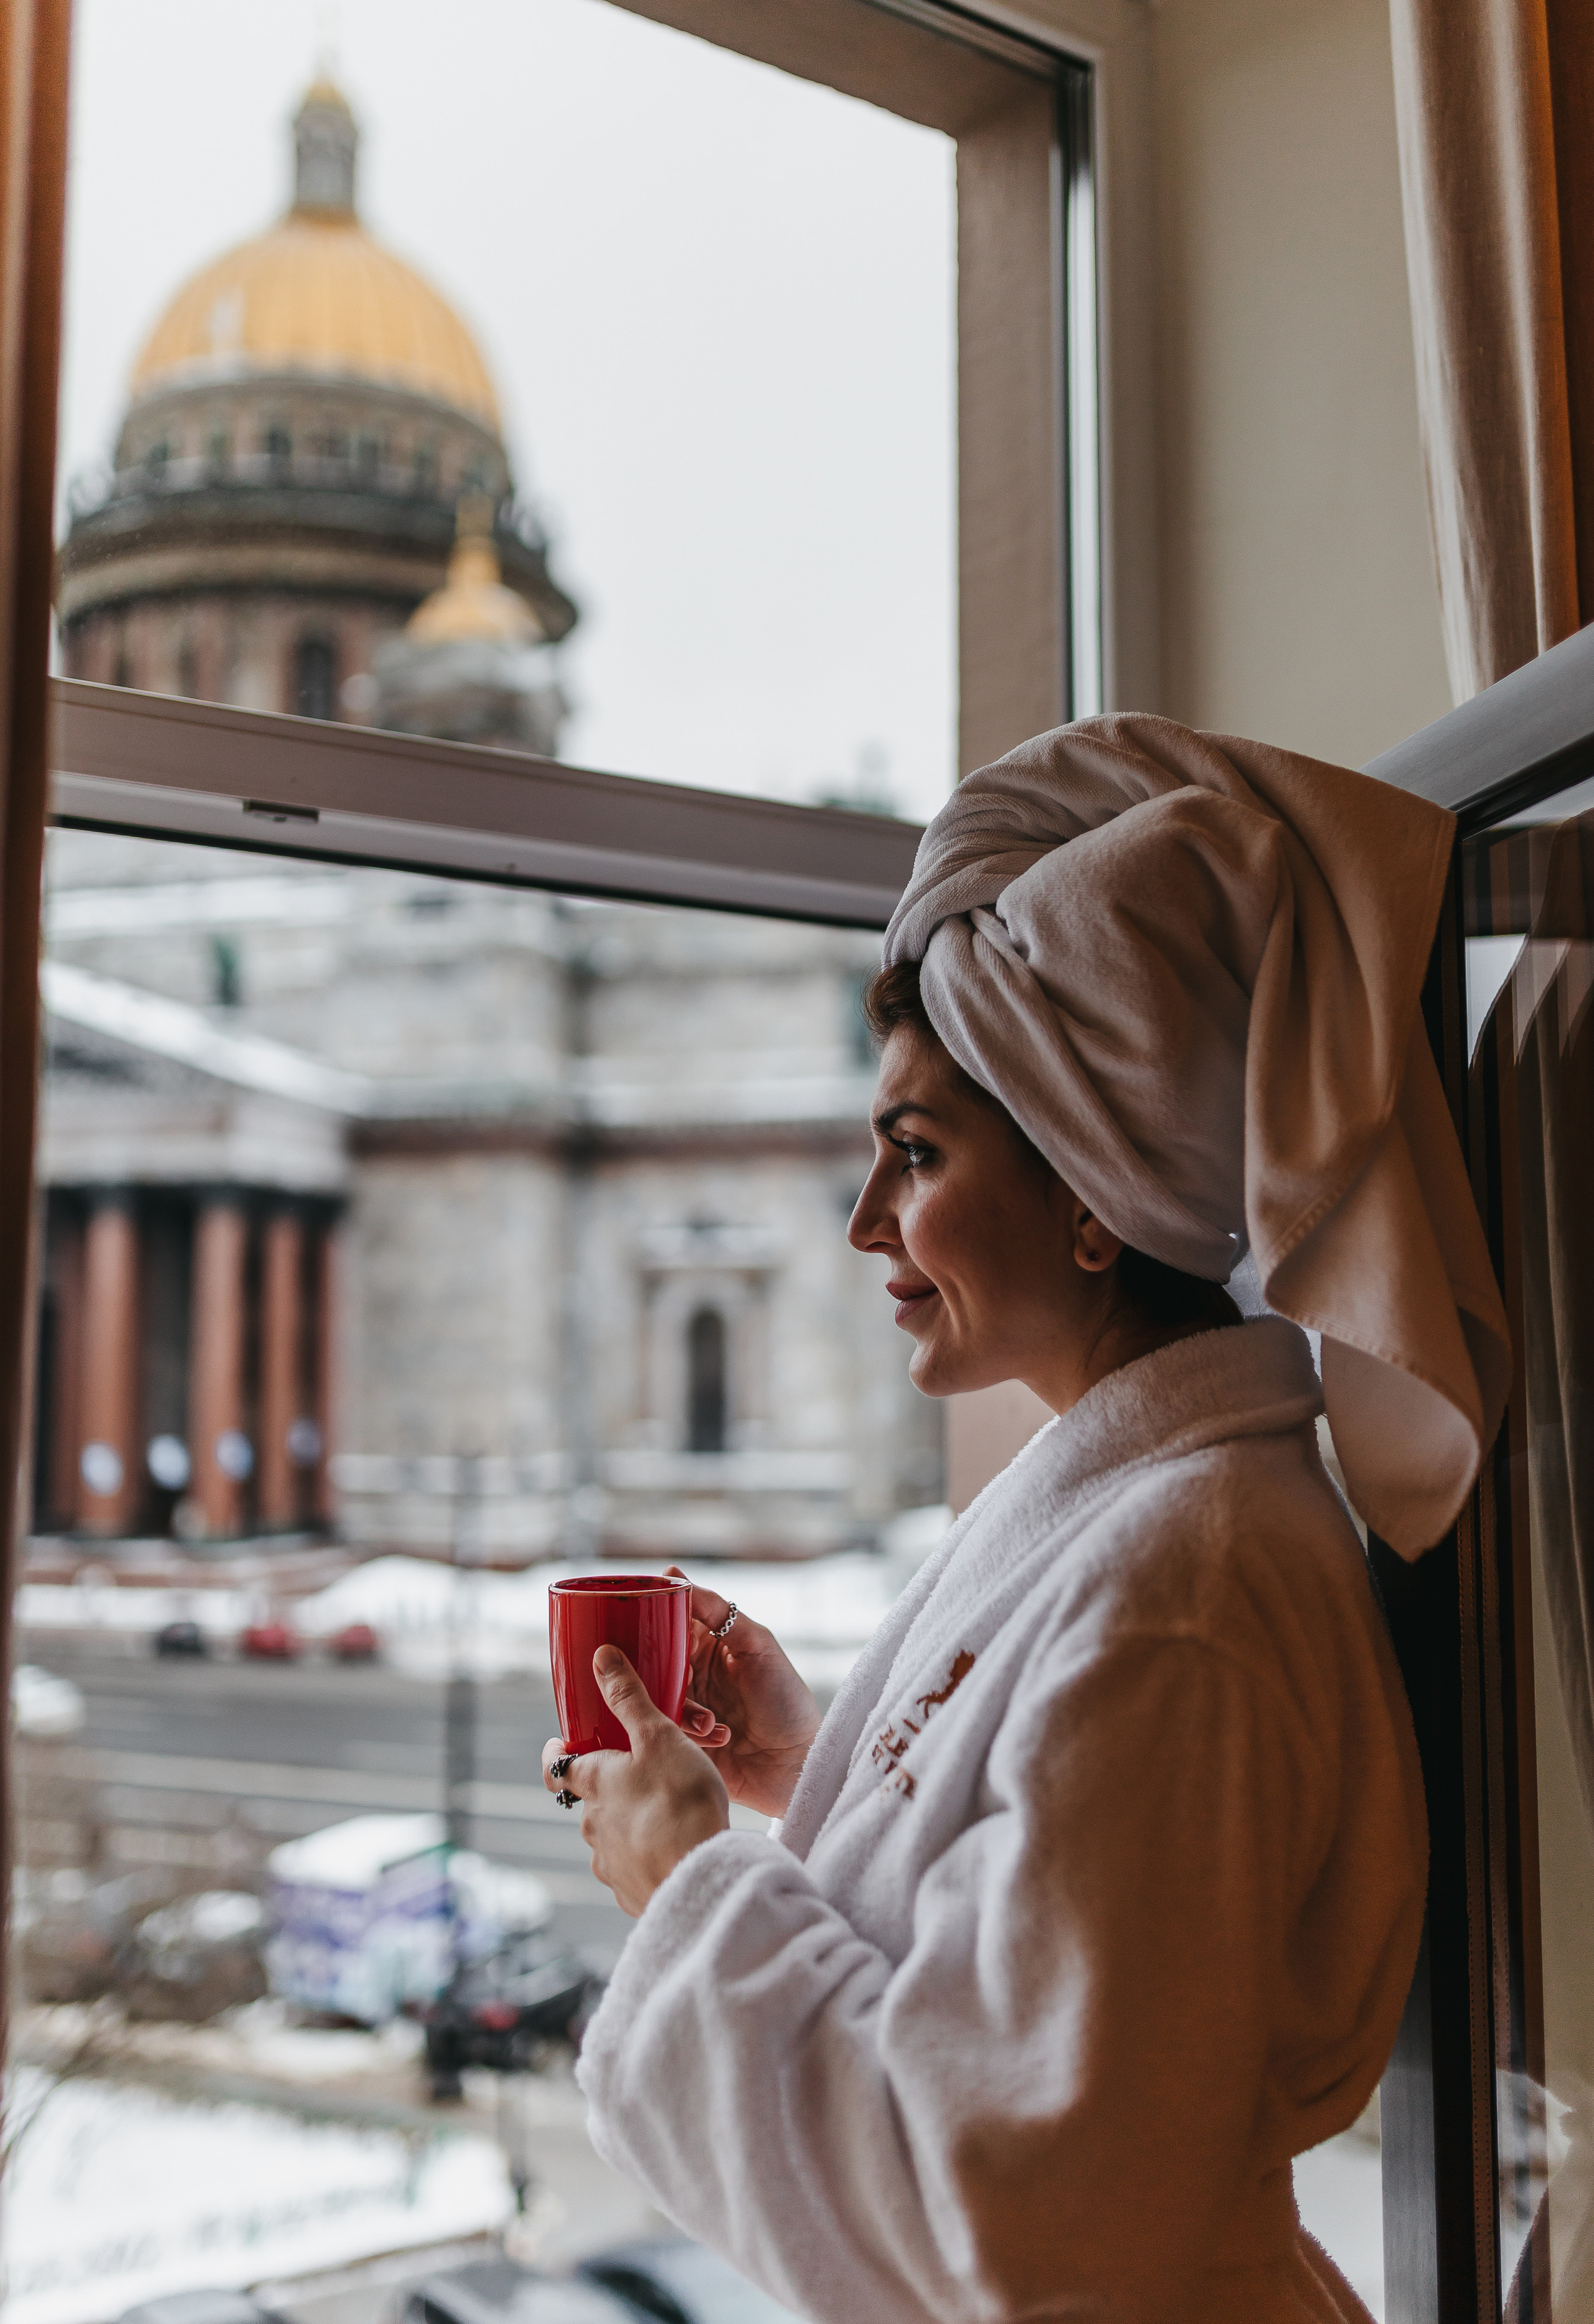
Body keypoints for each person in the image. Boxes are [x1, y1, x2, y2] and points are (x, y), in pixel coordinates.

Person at [542, 716, 1509, 2324]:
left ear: (1087, 1193)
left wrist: (691, 1879)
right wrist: (811, 1770)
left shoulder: (1181, 1587)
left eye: (913, 1155)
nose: (866, 1226)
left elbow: (1019, 2219)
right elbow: (1045, 1967)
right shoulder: (1146, 1520)